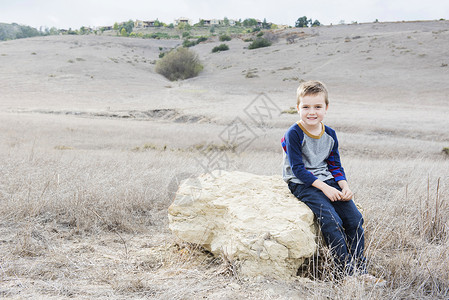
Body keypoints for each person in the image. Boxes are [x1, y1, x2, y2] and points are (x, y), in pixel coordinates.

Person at [281, 80, 384, 284]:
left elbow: (335, 164)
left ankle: (360, 270)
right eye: (306, 107)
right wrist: (325, 188)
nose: (312, 112)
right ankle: (344, 274)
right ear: (297, 108)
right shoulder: (294, 133)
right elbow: (298, 169)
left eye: (318, 107)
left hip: (328, 180)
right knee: (332, 221)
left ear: (326, 108)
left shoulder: (330, 134)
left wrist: (344, 186)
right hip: (301, 183)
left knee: (354, 219)